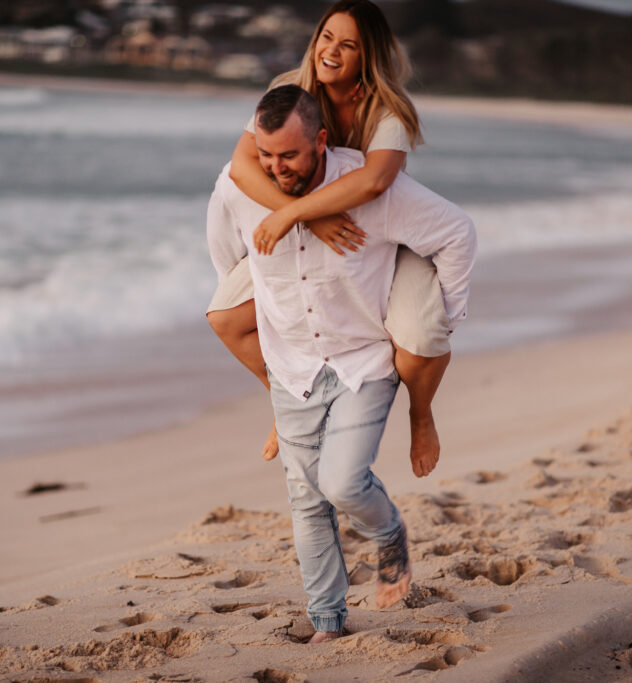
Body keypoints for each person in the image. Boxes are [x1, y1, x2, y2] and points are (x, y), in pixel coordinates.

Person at [206, 85, 475, 642]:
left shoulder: (373, 190)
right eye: (266, 155)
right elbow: (227, 258)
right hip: (292, 368)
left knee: (343, 483)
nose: (276, 168)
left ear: (321, 141)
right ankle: (327, 620)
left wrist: (442, 315)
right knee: (306, 503)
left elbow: (456, 232)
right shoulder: (240, 188)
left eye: (290, 156)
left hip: (361, 363)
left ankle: (391, 533)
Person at [206, 0, 451, 481]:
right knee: (227, 319)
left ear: (368, 56)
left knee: (420, 341)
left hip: (381, 239)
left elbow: (374, 182)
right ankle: (285, 401)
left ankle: (420, 415)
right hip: (315, 238)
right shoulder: (286, 90)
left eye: (349, 44)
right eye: (326, 37)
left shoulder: (387, 112)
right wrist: (306, 218)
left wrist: (297, 213)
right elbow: (241, 167)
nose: (332, 51)